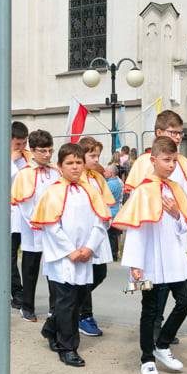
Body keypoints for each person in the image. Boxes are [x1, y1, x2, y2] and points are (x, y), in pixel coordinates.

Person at [113, 136, 187, 374]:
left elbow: (184, 227)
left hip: (174, 258)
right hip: (149, 261)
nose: (171, 165)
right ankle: (147, 358)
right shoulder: (143, 191)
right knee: (150, 309)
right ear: (153, 159)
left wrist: (177, 214)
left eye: (174, 160)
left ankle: (162, 343)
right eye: (166, 160)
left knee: (185, 302)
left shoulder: (176, 189)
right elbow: (136, 229)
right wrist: (135, 264)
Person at [125, 110, 187, 343]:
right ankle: (153, 330)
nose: (177, 137)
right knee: (152, 289)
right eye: (172, 132)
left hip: (175, 233)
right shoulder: (142, 163)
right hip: (151, 235)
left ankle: (162, 330)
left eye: (180, 133)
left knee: (173, 287)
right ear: (158, 132)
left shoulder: (184, 163)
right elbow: (137, 201)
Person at [33, 142, 110, 367]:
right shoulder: (53, 192)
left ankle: (50, 328)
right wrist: (70, 251)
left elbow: (101, 221)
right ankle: (68, 348)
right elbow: (51, 225)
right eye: (70, 163)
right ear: (60, 166)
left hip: (85, 253)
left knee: (77, 299)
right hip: (63, 257)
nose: (75, 167)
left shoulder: (91, 190)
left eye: (78, 162)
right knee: (66, 301)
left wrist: (89, 247)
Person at [10, 129, 60, 322]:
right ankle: (27, 305)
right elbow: (23, 202)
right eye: (43, 151)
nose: (47, 155)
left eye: (50, 150)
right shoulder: (25, 174)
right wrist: (36, 221)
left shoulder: (55, 172)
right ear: (33, 150)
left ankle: (54, 306)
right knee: (30, 268)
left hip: (52, 228)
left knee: (53, 269)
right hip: (32, 228)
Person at [75, 137, 115, 337]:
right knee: (85, 273)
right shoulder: (76, 177)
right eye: (92, 155)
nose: (96, 159)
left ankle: (75, 305)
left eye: (98, 155)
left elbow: (105, 201)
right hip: (83, 233)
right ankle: (84, 315)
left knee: (99, 272)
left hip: (98, 231)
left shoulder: (97, 177)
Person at [10, 121, 32, 310]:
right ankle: (16, 293)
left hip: (26, 214)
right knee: (8, 257)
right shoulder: (1, 157)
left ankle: (26, 294)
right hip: (8, 214)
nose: (21, 148)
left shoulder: (29, 159)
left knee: (28, 255)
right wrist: (10, 159)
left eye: (24, 144)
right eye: (18, 144)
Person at [104, 164, 124, 259]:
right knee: (114, 235)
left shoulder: (109, 184)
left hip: (111, 211)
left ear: (111, 173)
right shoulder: (118, 182)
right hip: (116, 210)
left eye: (106, 171)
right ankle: (115, 253)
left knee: (111, 235)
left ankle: (113, 254)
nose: (104, 173)